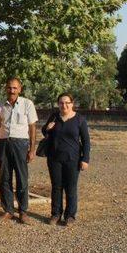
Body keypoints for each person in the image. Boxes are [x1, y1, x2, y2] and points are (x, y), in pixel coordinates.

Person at [41, 93, 90, 226]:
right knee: (56, 187)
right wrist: (47, 128)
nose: (64, 105)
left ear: (72, 104)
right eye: (61, 103)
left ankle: (70, 216)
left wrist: (85, 159)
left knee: (71, 187)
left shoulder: (79, 119)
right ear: (58, 104)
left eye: (67, 103)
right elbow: (44, 131)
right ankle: (56, 214)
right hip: (54, 158)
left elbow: (86, 141)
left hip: (72, 159)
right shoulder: (54, 117)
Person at [0, 77, 38, 224]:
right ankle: (8, 210)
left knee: (21, 178)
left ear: (20, 89)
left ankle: (23, 212)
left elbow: (32, 128)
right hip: (4, 143)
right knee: (4, 179)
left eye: (15, 88)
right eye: (9, 88)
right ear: (5, 89)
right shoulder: (0, 106)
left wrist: (32, 149)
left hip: (20, 144)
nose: (11, 91)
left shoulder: (27, 104)